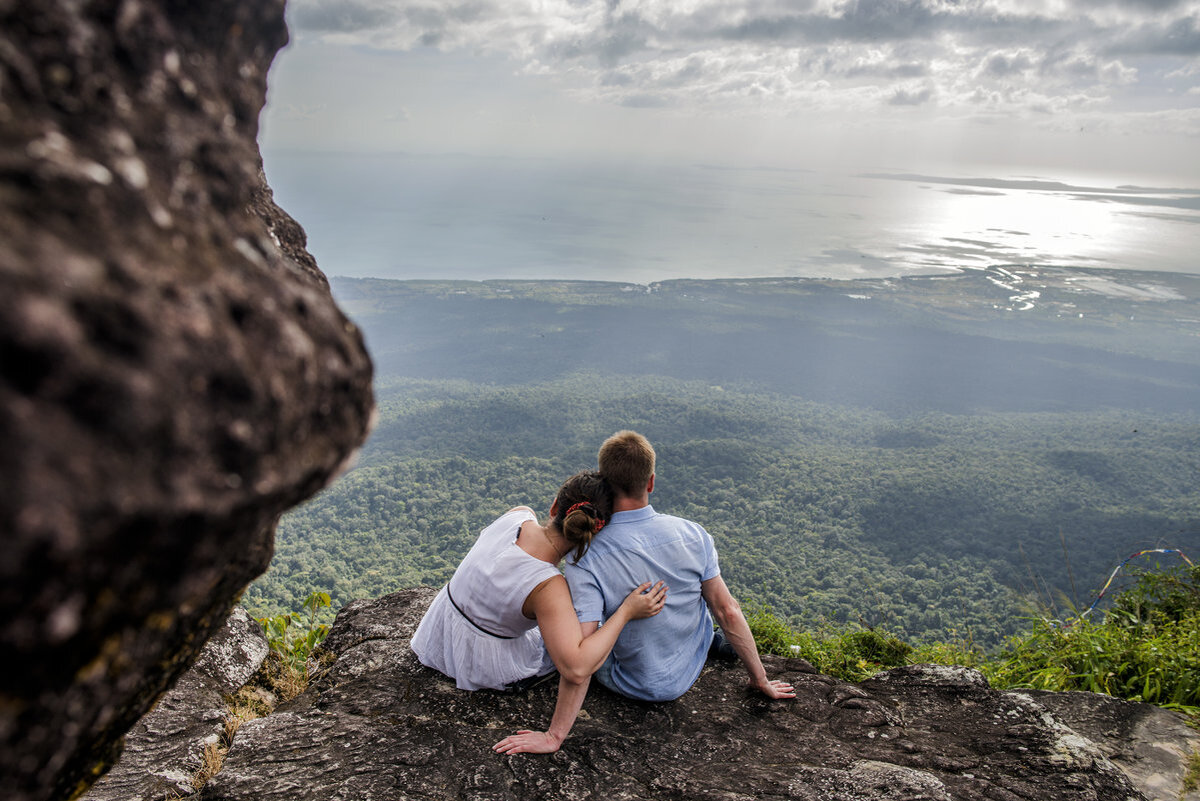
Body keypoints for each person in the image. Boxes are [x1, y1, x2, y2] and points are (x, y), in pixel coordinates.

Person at [411, 470, 666, 754]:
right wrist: (627, 612)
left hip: (437, 634)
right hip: (481, 663)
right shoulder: (549, 587)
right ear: (597, 531)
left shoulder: (517, 516)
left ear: (555, 506)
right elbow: (576, 668)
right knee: (599, 621)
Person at [563, 430, 796, 703]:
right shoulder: (693, 534)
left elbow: (583, 647)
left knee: (571, 612)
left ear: (602, 482)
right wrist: (760, 679)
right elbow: (727, 610)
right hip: (689, 667)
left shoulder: (586, 554)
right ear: (650, 482)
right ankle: (710, 642)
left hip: (628, 680)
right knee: (705, 602)